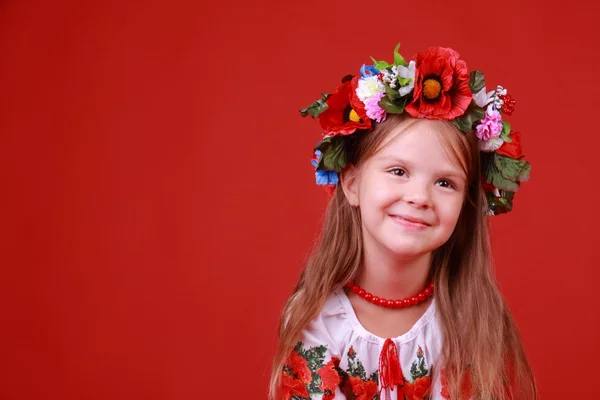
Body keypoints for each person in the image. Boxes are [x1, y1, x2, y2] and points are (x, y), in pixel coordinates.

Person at [269, 44, 537, 400]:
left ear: (466, 204)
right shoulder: (316, 318)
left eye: (445, 183)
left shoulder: (469, 319)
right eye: (398, 171)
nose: (419, 197)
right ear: (351, 184)